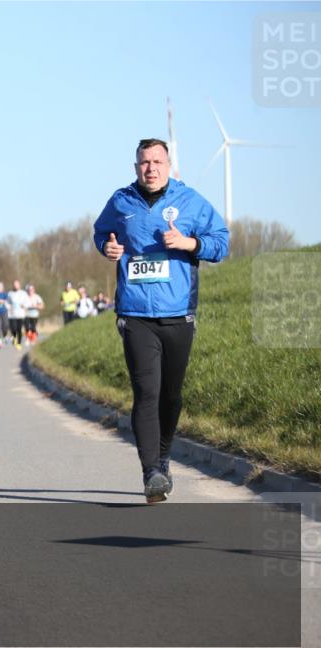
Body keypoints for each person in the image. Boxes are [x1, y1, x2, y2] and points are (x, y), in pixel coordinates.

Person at [94, 137, 229, 503]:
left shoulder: (190, 201)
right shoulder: (121, 201)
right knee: (146, 392)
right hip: (135, 313)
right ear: (136, 167)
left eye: (157, 162)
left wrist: (191, 244)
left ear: (169, 166)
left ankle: (164, 457)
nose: (150, 168)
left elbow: (222, 242)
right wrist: (107, 247)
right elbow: (100, 233)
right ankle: (151, 471)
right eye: (144, 162)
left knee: (170, 396)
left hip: (178, 313)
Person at [7, 280, 29, 350]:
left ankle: (19, 343)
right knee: (13, 328)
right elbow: (7, 302)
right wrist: (9, 308)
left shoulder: (23, 293)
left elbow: (27, 302)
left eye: (17, 284)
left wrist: (24, 306)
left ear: (19, 285)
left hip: (20, 314)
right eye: (14, 285)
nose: (15, 286)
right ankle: (14, 337)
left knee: (19, 329)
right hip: (12, 314)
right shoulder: (10, 293)